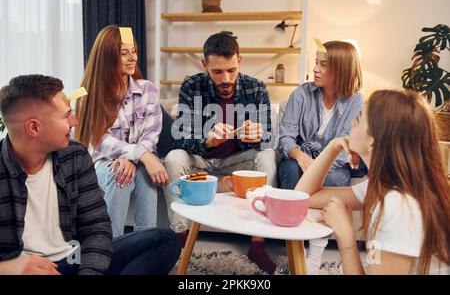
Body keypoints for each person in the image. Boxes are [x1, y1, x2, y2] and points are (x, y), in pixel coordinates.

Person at [0, 75, 181, 275]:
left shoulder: (75, 155)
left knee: (165, 241)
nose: (75, 121)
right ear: (34, 127)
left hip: (75, 261)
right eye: (66, 115)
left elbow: (97, 229)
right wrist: (8, 268)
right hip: (25, 271)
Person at [295, 89, 450, 274]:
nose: (352, 122)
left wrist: (345, 233)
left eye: (359, 119)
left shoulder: (398, 206)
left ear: (374, 143)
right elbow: (303, 197)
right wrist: (332, 148)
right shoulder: (384, 187)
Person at [164, 31, 278, 274]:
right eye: (217, 72)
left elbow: (268, 135)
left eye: (231, 70)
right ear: (204, 65)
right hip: (201, 164)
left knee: (267, 156)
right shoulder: (191, 86)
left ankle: (258, 243)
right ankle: (180, 239)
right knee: (174, 158)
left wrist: (258, 136)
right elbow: (181, 138)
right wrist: (207, 141)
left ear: (240, 60)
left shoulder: (256, 89)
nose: (226, 78)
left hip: (236, 165)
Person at [277, 40, 364, 274]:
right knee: (290, 171)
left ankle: (314, 254)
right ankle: (297, 249)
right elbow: (286, 137)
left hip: (334, 163)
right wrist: (299, 155)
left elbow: (347, 146)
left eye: (323, 64)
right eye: (316, 63)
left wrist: (320, 166)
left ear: (341, 69)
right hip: (298, 158)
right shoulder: (301, 94)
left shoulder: (356, 100)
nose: (315, 69)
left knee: (335, 179)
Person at [75, 25, 169, 237]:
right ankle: (111, 246)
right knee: (120, 174)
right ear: (108, 57)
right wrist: (141, 155)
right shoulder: (86, 93)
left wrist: (135, 158)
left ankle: (146, 244)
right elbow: (100, 141)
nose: (132, 58)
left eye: (133, 51)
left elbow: (151, 135)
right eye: (123, 53)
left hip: (135, 162)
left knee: (144, 173)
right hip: (100, 164)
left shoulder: (147, 89)